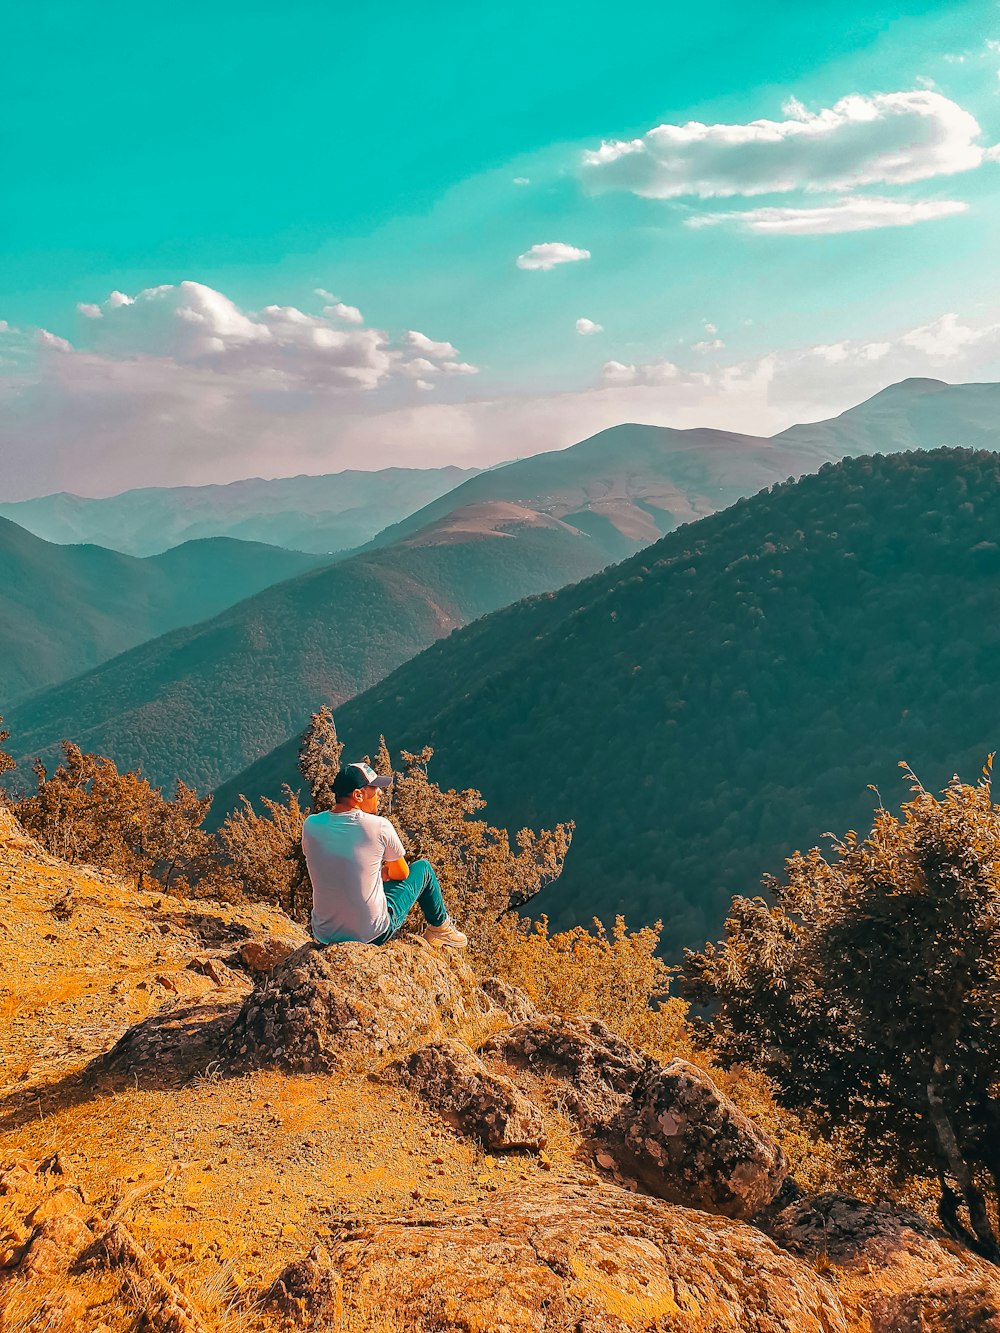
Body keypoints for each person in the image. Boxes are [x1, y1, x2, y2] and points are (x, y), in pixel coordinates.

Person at [302, 760, 467, 949]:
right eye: (374, 788)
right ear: (358, 795)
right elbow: (402, 874)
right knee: (423, 869)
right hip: (372, 934)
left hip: (324, 934)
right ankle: (441, 928)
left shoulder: (311, 825)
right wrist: (382, 872)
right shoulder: (379, 826)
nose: (380, 792)